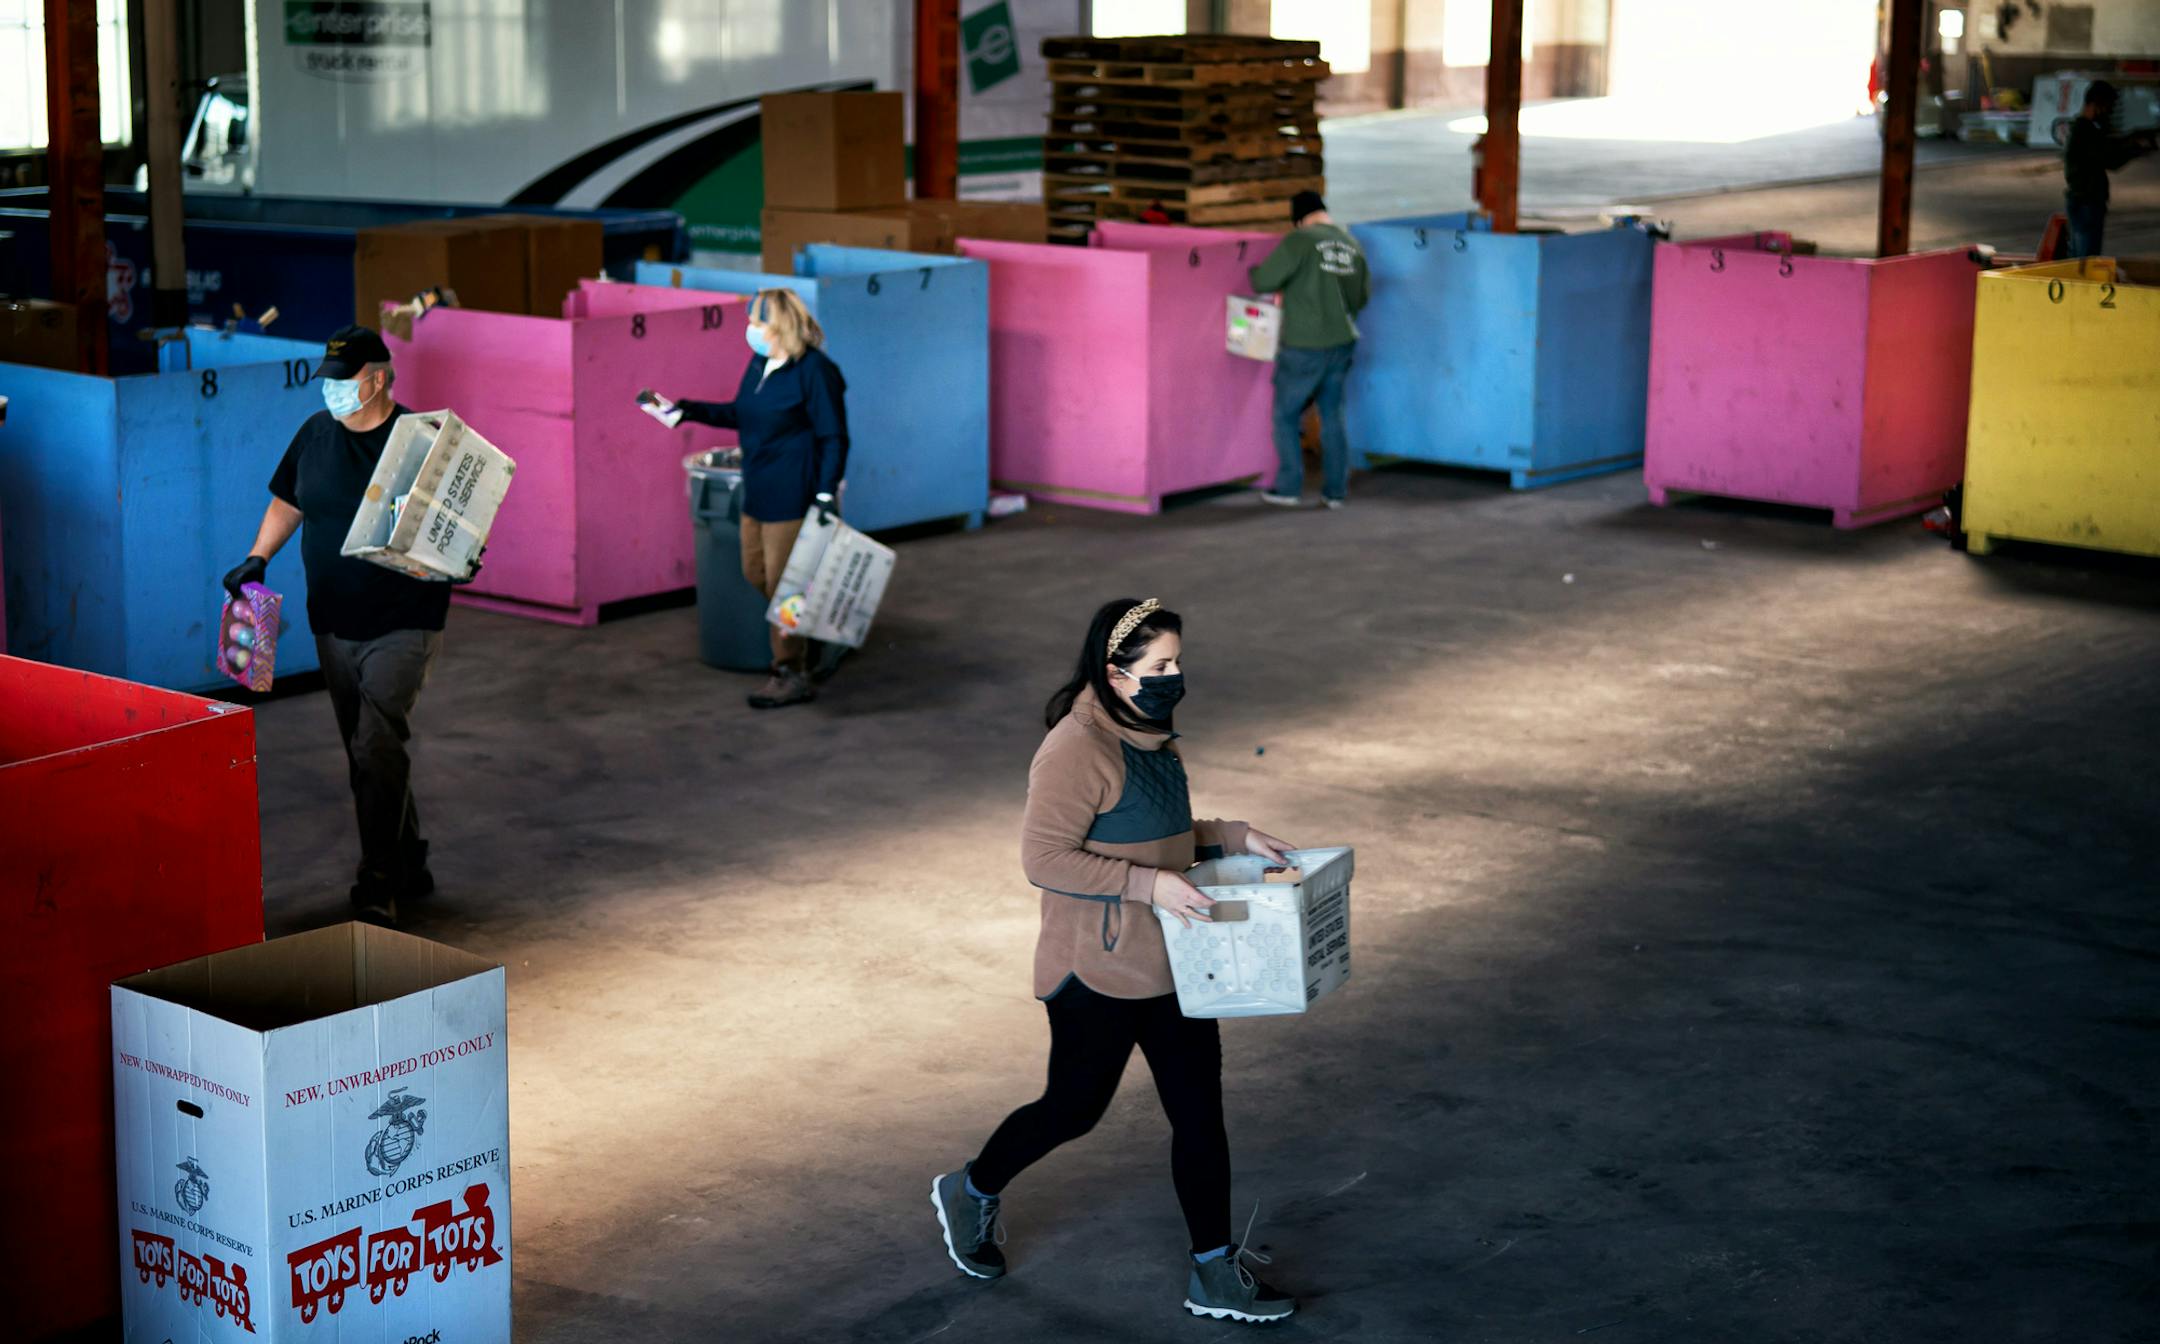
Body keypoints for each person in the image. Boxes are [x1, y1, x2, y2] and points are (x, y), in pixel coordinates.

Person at [933, 597, 1301, 1325]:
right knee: (1074, 1109)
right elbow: (1043, 858)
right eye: (1159, 665)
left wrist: (1231, 837)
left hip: (1172, 958)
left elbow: (1157, 837)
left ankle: (1213, 1271)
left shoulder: (1151, 734)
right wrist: (1146, 886)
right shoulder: (1075, 750)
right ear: (1114, 671)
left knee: (1200, 1115)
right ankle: (972, 1188)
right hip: (1093, 971)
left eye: (1177, 661)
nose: (1174, 675)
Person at [224, 325, 452, 926]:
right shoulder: (314, 434)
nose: (332, 392)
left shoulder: (422, 442)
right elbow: (288, 501)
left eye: (344, 381)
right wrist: (259, 556)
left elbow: (460, 517)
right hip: (333, 621)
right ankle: (407, 853)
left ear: (377, 379)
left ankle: (378, 881)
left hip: (405, 618)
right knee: (367, 751)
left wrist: (464, 554)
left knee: (376, 743)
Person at [647, 289, 850, 709]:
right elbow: (743, 413)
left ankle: (789, 671)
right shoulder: (761, 364)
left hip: (793, 494)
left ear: (780, 328)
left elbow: (834, 437)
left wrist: (826, 492)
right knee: (756, 571)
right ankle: (814, 640)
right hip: (756, 490)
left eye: (758, 324)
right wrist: (686, 411)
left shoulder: (815, 371)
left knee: (785, 588)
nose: (751, 332)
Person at [1246, 190, 1368, 511]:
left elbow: (1263, 280)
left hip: (1304, 345)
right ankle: (1335, 492)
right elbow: (1360, 298)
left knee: (1285, 415)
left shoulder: (1299, 241)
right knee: (1333, 414)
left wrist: (1249, 271)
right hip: (1342, 342)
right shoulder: (1351, 245)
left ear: (1299, 219)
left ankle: (1288, 487)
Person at [2063, 80, 2155, 259]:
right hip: (2086, 203)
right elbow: (2110, 159)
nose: (2109, 112)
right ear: (2095, 104)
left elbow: (2108, 148)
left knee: (2081, 258)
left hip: (2085, 201)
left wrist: (2131, 142)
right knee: (2085, 261)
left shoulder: (2087, 130)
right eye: (2107, 106)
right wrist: (2135, 148)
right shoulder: (2084, 132)